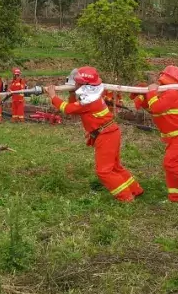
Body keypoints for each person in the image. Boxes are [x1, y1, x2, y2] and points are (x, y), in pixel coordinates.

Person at [46, 67, 143, 202]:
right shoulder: (92, 95)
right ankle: (135, 190)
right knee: (115, 167)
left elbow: (68, 109)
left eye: (78, 82)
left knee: (104, 171)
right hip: (109, 132)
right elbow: (75, 105)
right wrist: (72, 93)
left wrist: (53, 96)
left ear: (86, 85)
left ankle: (126, 197)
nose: (76, 84)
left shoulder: (88, 101)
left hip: (106, 135)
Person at [131, 65, 178, 203]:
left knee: (170, 164)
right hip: (176, 137)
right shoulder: (165, 94)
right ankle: (175, 198)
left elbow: (156, 107)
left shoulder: (171, 93)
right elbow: (152, 109)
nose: (159, 83)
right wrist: (142, 97)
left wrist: (151, 92)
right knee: (171, 166)